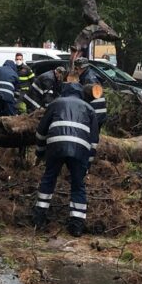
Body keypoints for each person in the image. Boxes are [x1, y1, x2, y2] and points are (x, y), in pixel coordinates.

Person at [33, 83, 99, 237]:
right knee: (78, 184)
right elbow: (94, 140)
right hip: (80, 149)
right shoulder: (89, 108)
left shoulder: (55, 103)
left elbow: (41, 131)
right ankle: (76, 225)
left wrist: (40, 153)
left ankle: (39, 218)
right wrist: (87, 164)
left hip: (56, 146)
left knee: (49, 178)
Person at [74, 57, 107, 126]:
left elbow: (87, 98)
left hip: (95, 113)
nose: (76, 71)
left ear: (82, 67)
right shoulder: (91, 75)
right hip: (99, 113)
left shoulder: (88, 79)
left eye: (76, 68)